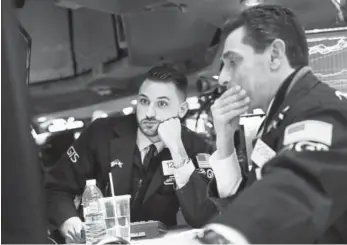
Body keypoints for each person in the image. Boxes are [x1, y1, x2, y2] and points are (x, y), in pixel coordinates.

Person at [185, 4, 347, 244]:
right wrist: (225, 138)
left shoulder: (319, 109)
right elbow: (250, 195)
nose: (223, 79)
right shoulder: (279, 114)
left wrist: (226, 236)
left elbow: (297, 184)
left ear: (274, 55)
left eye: (232, 62)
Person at [45, 66, 242, 243]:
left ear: (182, 110)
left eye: (162, 104)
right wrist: (69, 222)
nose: (149, 113)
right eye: (144, 101)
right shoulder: (101, 134)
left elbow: (202, 217)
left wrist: (177, 151)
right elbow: (56, 187)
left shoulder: (196, 147)